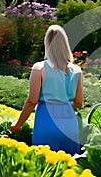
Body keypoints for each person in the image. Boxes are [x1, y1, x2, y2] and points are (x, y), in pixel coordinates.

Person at [11, 25, 83, 154]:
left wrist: (18, 124)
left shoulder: (39, 68)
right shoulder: (77, 70)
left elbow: (32, 101)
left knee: (45, 167)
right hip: (70, 125)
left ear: (47, 43)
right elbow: (78, 103)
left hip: (46, 121)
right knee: (69, 167)